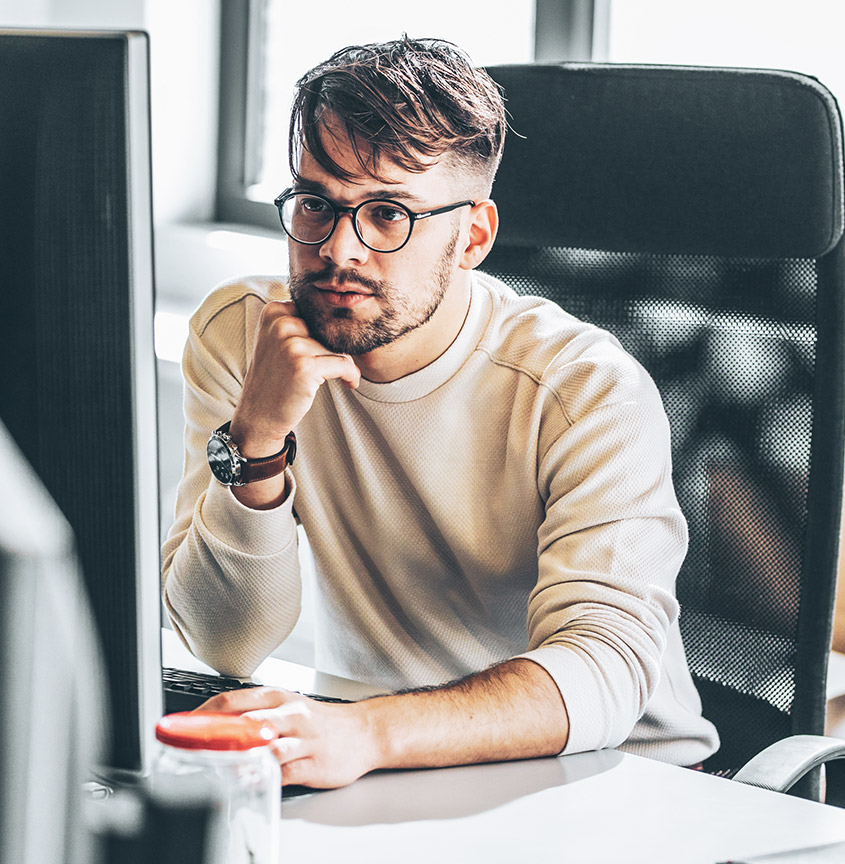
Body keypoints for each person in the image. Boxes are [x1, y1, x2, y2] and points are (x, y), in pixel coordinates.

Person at [161, 36, 719, 789]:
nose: (338, 251)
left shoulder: (584, 390)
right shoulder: (243, 338)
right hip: (391, 773)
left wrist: (365, 732)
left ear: (473, 237)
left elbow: (604, 670)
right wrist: (257, 445)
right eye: (317, 203)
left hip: (616, 786)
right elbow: (224, 642)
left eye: (388, 213)